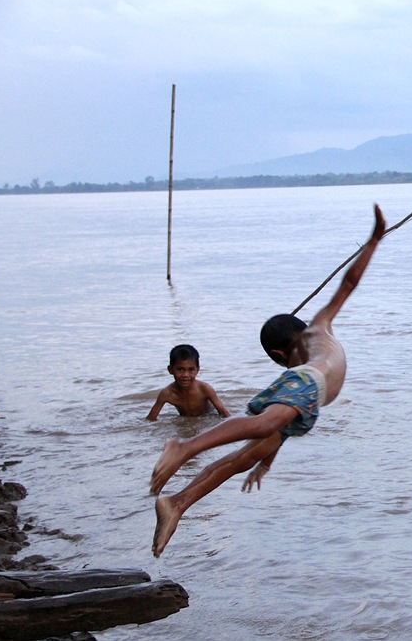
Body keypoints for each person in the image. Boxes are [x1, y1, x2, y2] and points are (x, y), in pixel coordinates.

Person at [149, 204, 386, 558]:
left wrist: (266, 461)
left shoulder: (308, 346)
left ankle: (177, 504)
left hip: (309, 401)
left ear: (277, 355)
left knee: (244, 457)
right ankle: (183, 448)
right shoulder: (320, 327)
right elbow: (349, 283)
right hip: (311, 387)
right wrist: (374, 240)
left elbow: (286, 419)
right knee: (263, 425)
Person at [143, 344, 230, 421]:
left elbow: (224, 414)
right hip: (185, 418)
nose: (185, 375)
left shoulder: (204, 389)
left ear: (197, 370)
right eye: (180, 369)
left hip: (209, 416)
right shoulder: (167, 393)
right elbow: (150, 419)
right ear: (170, 370)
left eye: (191, 370)